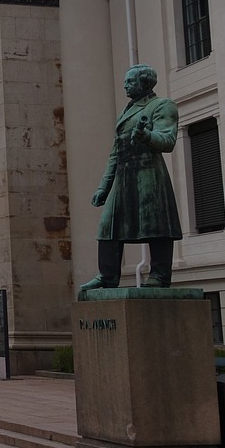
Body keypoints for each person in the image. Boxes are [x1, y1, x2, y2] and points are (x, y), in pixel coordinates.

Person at [79, 64, 183, 292]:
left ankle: (159, 275)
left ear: (144, 83)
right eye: (125, 81)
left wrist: (146, 135)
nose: (125, 85)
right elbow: (115, 154)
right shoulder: (126, 112)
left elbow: (168, 141)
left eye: (130, 81)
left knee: (156, 225)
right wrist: (104, 188)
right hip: (123, 178)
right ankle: (107, 276)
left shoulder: (162, 105)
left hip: (149, 174)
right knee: (108, 225)